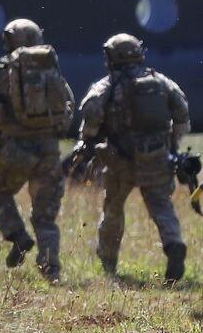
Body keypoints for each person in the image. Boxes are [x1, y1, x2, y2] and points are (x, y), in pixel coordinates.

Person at [0, 19, 74, 282]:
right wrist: (55, 130)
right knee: (45, 216)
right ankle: (51, 269)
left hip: (14, 149)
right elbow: (69, 103)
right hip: (49, 150)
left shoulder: (2, 69)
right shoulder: (50, 68)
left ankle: (18, 236)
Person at [77, 34, 191, 284]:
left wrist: (87, 138)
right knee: (161, 205)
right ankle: (173, 243)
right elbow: (182, 112)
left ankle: (108, 261)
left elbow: (91, 110)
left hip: (121, 160)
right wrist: (172, 144)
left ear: (111, 57)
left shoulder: (108, 85)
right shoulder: (160, 81)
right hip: (157, 158)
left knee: (113, 208)